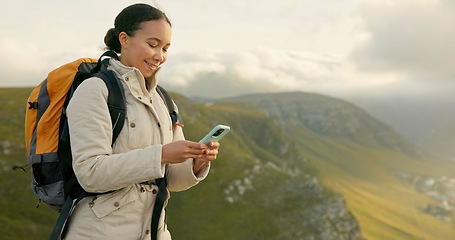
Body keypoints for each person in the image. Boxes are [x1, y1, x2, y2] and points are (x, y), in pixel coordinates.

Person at [64, 3, 220, 240]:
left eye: (166, 48)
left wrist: (196, 163)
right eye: (152, 44)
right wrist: (162, 155)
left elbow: (172, 181)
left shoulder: (164, 100)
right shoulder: (95, 90)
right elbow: (90, 173)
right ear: (124, 39)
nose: (160, 56)